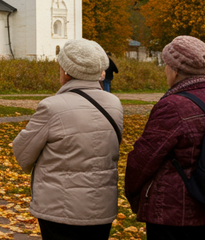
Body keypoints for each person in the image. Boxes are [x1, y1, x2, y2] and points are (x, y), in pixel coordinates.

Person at [14, 38, 124, 240]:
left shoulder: (52, 107)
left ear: (65, 71)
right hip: (102, 206)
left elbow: (22, 153)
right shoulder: (114, 103)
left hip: (59, 208)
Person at [125, 35, 205, 239]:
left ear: (175, 70)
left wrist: (133, 193)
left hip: (172, 210)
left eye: (166, 65)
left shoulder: (172, 106)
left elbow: (144, 158)